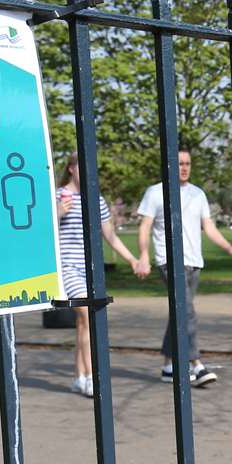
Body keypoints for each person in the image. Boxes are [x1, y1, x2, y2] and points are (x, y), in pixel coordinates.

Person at [135, 150, 232, 387]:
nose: (184, 167)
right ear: (170, 165)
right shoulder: (155, 192)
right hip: (169, 261)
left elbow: (209, 228)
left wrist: (231, 250)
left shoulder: (198, 194)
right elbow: (145, 227)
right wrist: (143, 255)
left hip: (194, 262)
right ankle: (197, 364)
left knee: (180, 313)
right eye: (180, 163)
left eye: (188, 163)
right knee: (187, 312)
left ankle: (168, 365)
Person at [55, 157, 141, 398]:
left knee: (84, 322)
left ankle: (78, 377)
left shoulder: (97, 200)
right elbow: (44, 230)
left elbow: (110, 236)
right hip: (67, 267)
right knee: (88, 315)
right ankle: (93, 378)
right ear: (72, 168)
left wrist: (132, 260)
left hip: (90, 270)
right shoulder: (59, 195)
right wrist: (59, 213)